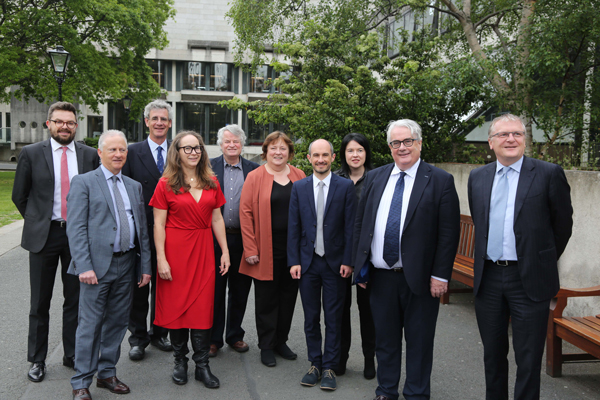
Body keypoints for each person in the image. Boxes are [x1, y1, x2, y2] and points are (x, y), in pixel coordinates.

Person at [467, 114, 573, 400]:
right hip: (488, 279)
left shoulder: (549, 173)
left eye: (517, 134)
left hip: (530, 279)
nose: (510, 139)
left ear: (525, 140)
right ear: (490, 142)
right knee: (493, 354)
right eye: (503, 135)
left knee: (528, 359)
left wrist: (539, 260)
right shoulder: (478, 177)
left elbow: (562, 225)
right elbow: (480, 221)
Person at [353, 119, 460, 400]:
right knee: (385, 341)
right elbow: (361, 225)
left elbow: (448, 234)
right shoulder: (375, 177)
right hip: (380, 276)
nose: (402, 148)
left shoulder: (439, 180)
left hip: (422, 279)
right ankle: (386, 390)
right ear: (389, 148)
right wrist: (360, 270)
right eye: (395, 143)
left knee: (420, 341)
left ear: (419, 143)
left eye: (407, 141)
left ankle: (416, 393)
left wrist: (441, 275)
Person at [12, 101, 99, 383]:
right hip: (44, 236)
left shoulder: (88, 155)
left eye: (70, 122)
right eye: (59, 121)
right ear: (49, 123)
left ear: (76, 125)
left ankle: (72, 354)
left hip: (78, 237)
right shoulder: (31, 153)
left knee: (75, 300)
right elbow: (19, 195)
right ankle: (37, 359)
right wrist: (38, 220)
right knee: (40, 302)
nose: (65, 126)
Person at [67, 130, 151, 400]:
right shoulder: (83, 182)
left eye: (122, 150)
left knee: (116, 323)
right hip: (95, 267)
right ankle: (81, 381)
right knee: (89, 326)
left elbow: (142, 231)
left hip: (126, 264)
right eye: (112, 150)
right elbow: (76, 229)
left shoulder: (133, 185)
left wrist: (145, 266)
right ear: (100, 152)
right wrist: (84, 266)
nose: (118, 155)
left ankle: (106, 373)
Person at [150, 131, 230, 388]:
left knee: (202, 308)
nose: (194, 152)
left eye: (197, 148)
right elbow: (158, 225)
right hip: (175, 254)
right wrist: (161, 259)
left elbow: (217, 219)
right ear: (177, 152)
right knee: (177, 309)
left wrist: (225, 251)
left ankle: (202, 365)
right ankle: (180, 362)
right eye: (188, 148)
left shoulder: (211, 182)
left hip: (204, 251)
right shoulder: (165, 184)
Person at [288, 139, 355, 391]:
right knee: (311, 317)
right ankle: (314, 363)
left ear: (333, 157)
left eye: (325, 155)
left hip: (335, 264)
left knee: (334, 317)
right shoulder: (300, 187)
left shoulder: (345, 187)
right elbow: (294, 227)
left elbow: (350, 227)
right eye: (316, 155)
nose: (320, 159)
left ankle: (329, 367)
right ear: (308, 158)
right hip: (307, 264)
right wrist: (293, 261)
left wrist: (348, 260)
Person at [239, 131, 306, 367]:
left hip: (293, 250)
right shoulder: (255, 176)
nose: (278, 152)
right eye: (273, 148)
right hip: (264, 248)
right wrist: (250, 248)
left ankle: (281, 341)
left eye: (283, 148)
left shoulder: (299, 175)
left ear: (289, 152)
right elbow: (245, 214)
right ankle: (266, 345)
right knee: (266, 299)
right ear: (265, 151)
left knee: (288, 298)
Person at [122, 100, 173, 361]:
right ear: (146, 122)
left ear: (170, 123)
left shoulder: (179, 151)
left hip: (171, 231)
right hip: (142, 230)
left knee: (164, 285)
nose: (159, 123)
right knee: (140, 285)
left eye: (163, 119)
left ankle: (159, 333)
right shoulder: (132, 152)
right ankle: (138, 338)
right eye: (155, 118)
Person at [209, 124, 259, 357]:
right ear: (220, 144)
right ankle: (213, 338)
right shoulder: (207, 168)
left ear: (242, 144)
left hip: (243, 239)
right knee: (215, 291)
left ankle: (234, 335)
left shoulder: (254, 170)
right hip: (214, 240)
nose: (231, 145)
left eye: (236, 141)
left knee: (240, 291)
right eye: (227, 141)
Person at [334, 132, 376, 379]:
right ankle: (340, 359)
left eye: (359, 150)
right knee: (339, 311)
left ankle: (370, 359)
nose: (355, 155)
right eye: (350, 150)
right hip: (339, 256)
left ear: (366, 153)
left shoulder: (377, 178)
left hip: (367, 258)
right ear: (343, 154)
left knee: (367, 311)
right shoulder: (336, 179)